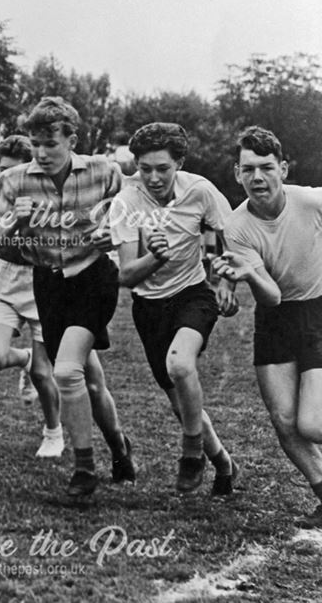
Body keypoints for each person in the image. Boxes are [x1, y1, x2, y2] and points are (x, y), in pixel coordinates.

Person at [0, 97, 135, 499]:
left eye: (51, 143)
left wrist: (115, 232)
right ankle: (120, 447)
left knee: (66, 372)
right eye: (35, 143)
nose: (41, 152)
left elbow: (137, 209)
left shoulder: (105, 171)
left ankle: (84, 468)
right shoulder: (14, 180)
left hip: (93, 280)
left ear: (72, 138)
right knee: (90, 379)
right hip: (48, 284)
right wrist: (15, 222)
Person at [112, 122, 237, 495]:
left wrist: (227, 281)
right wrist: (154, 257)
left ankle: (191, 453)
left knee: (180, 363)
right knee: (181, 404)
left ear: (178, 163)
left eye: (162, 168)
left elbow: (228, 238)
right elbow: (126, 276)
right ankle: (224, 464)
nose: (152, 177)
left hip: (193, 293)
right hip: (148, 307)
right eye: (144, 168)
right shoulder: (126, 203)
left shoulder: (200, 191)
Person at [212, 126, 322, 527]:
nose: (257, 177)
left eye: (266, 167)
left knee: (313, 422)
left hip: (319, 312)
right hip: (275, 318)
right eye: (248, 169)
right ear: (237, 174)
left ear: (284, 170)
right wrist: (244, 273)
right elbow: (271, 297)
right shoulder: (237, 227)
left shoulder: (310, 201)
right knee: (285, 421)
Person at [0, 135, 64, 459]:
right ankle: (23, 358)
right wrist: (15, 222)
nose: (4, 176)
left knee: (44, 373)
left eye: (11, 169)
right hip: (7, 277)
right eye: (0, 169)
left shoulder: (51, 190)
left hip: (42, 280)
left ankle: (53, 432)